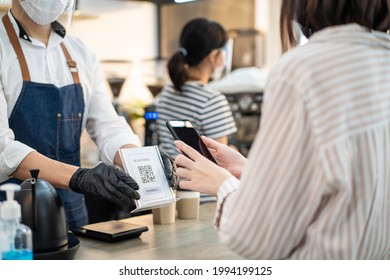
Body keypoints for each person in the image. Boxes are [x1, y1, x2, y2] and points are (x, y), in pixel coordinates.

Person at [174, 0, 390, 259]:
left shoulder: (302, 70)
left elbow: (256, 236)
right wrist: (253, 172)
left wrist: (223, 183)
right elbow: (346, 179)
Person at [0, 0, 175, 229]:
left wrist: (143, 162)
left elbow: (108, 126)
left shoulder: (80, 52)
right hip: (12, 216)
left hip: (71, 213)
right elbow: (3, 148)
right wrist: (80, 177)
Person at [156, 18, 237, 157]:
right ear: (213, 56)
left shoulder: (167, 91)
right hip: (195, 177)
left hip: (168, 173)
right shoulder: (212, 100)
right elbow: (220, 160)